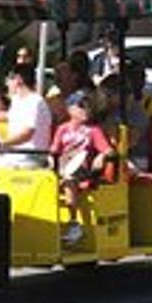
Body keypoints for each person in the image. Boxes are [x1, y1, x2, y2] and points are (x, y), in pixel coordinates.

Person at [52, 89, 112, 244]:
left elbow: (109, 151)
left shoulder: (93, 131)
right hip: (64, 166)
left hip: (85, 170)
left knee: (70, 178)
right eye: (81, 106)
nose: (86, 110)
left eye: (88, 106)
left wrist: (101, 156)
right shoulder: (62, 129)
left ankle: (74, 225)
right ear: (70, 109)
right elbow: (53, 151)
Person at [0, 67, 52, 157]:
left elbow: (27, 133)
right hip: (15, 154)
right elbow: (7, 116)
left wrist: (2, 144)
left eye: (10, 79)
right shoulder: (17, 100)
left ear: (19, 79)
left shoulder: (36, 102)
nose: (7, 83)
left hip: (31, 156)